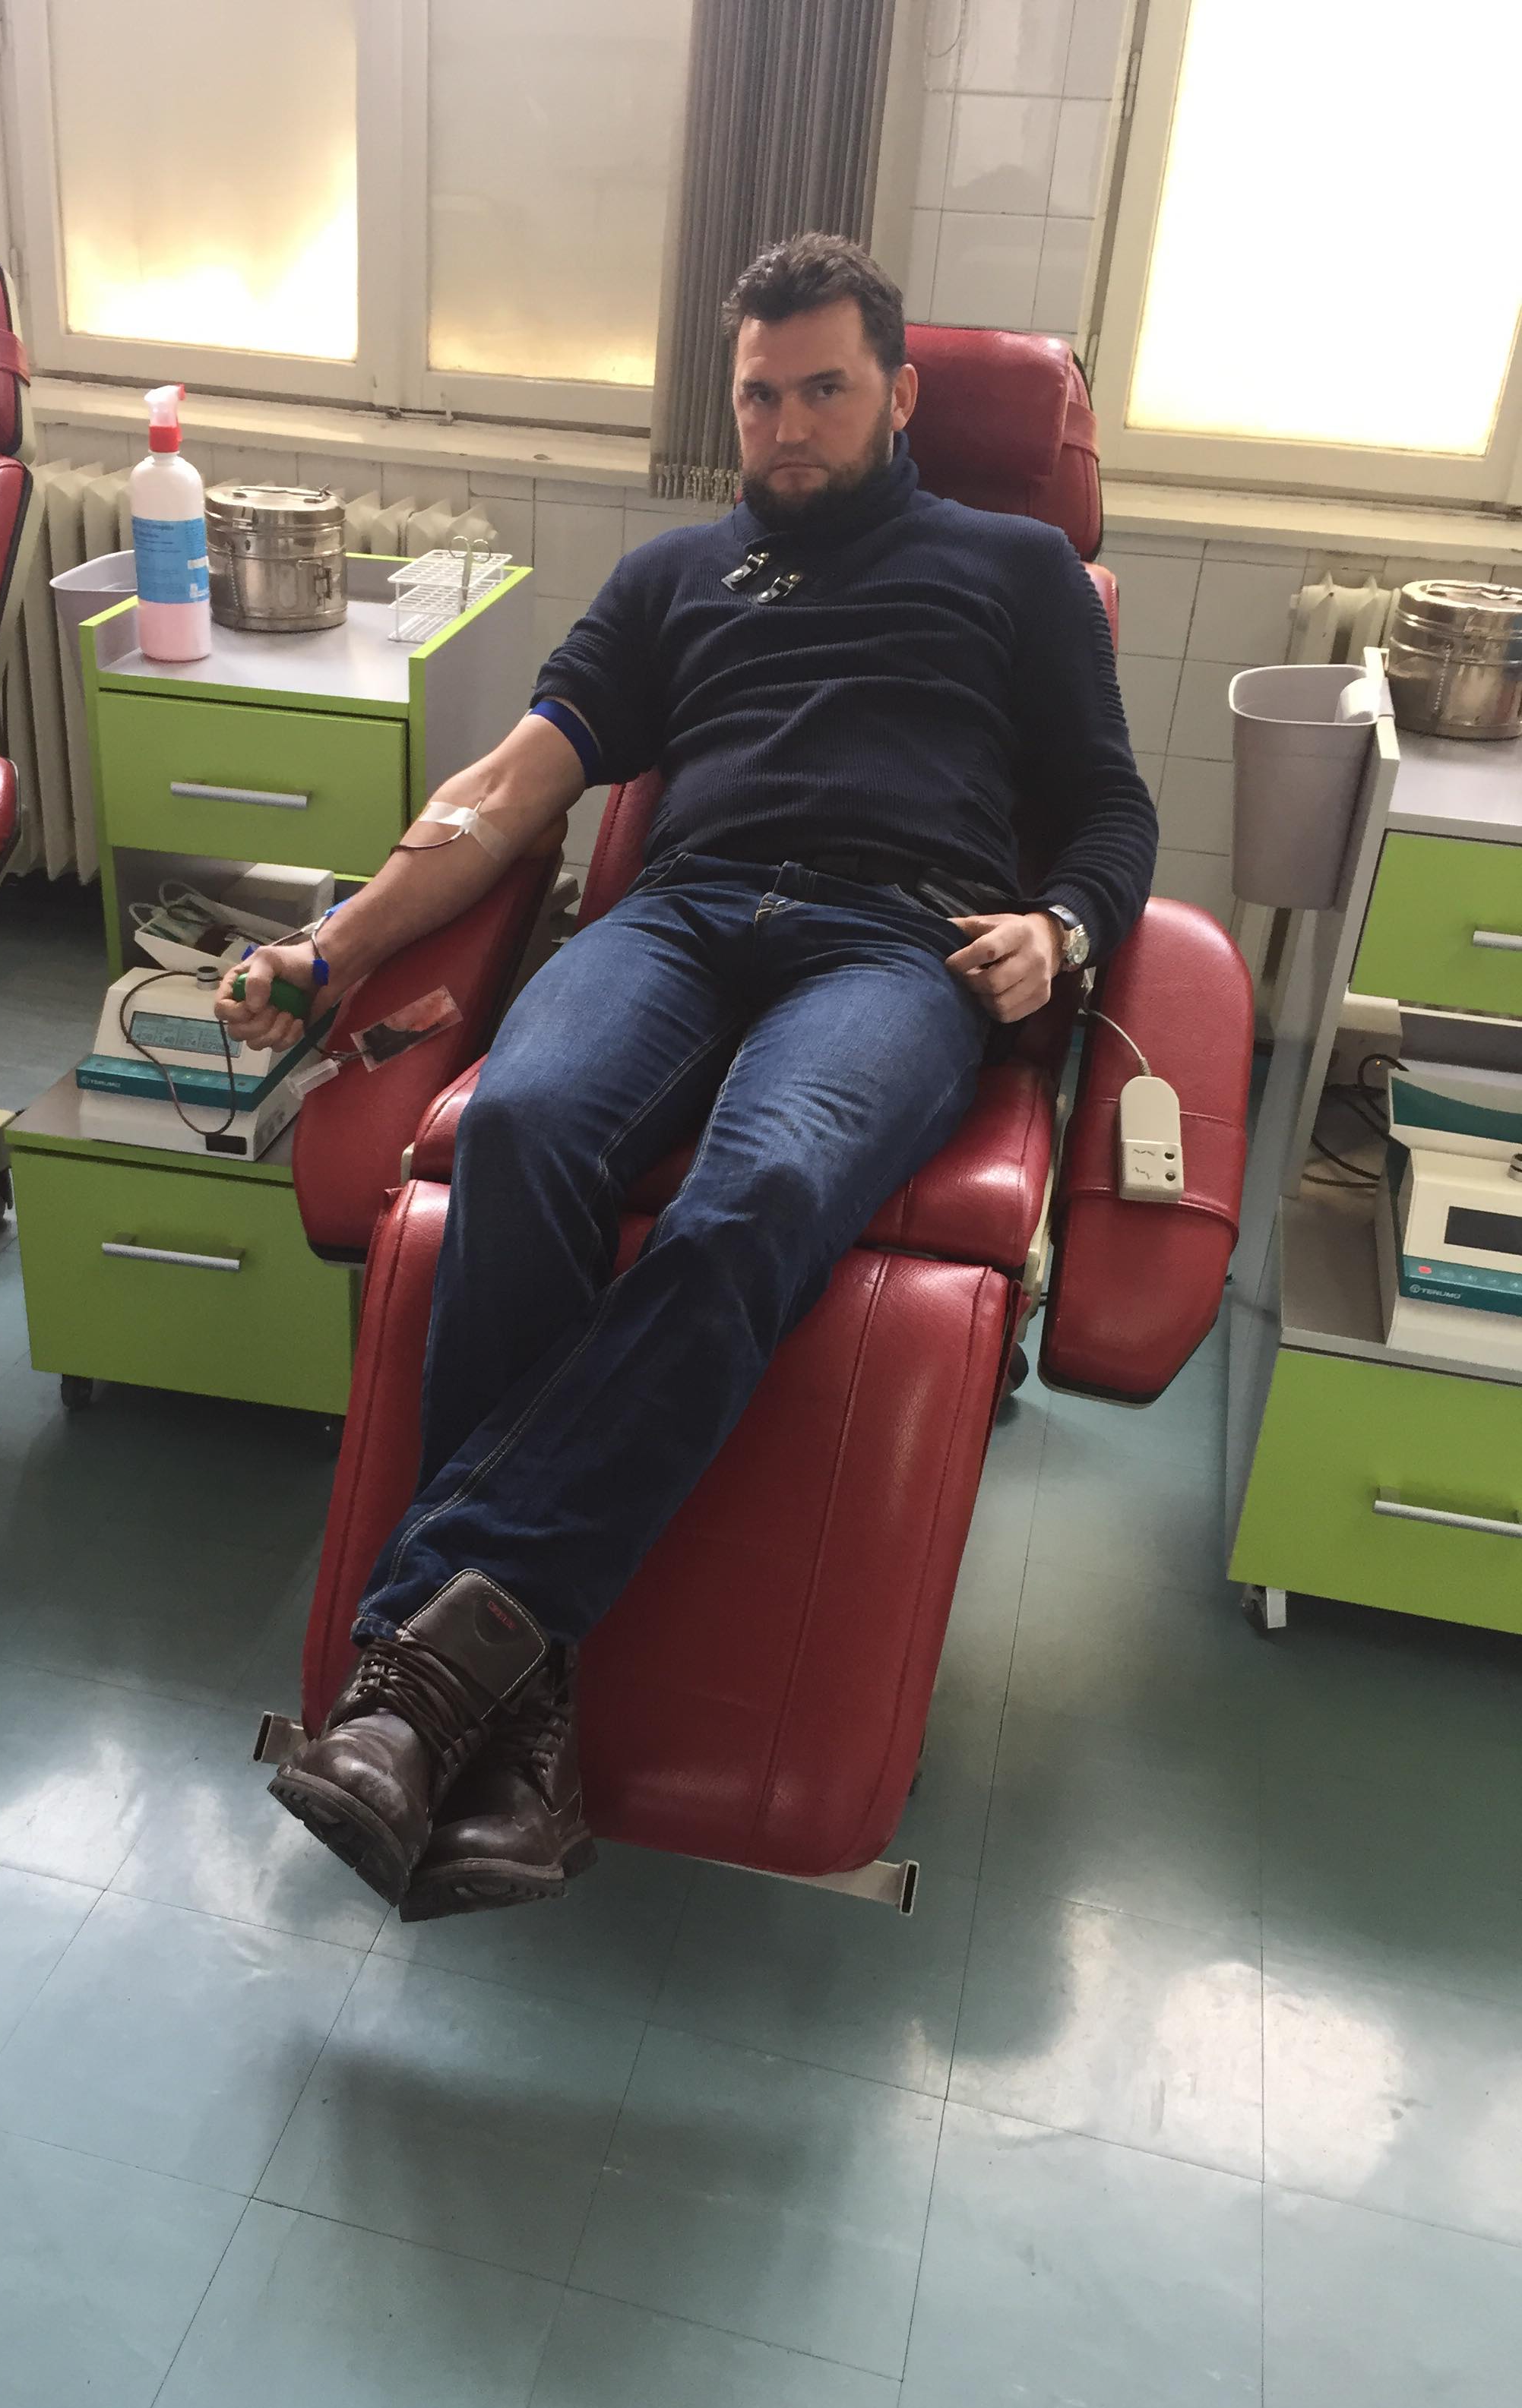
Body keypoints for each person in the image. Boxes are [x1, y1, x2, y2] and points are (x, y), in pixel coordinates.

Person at [217, 232, 1157, 1924]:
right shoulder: (673, 579)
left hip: (898, 941)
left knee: (763, 1194)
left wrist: (1066, 928)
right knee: (520, 1125)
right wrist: (332, 948)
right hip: (682, 918)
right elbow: (505, 792)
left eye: (825, 391)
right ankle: (512, 1724)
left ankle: (416, 1670)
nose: (788, 427)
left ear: (902, 394)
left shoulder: (1016, 571)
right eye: (759, 397)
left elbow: (1111, 806)